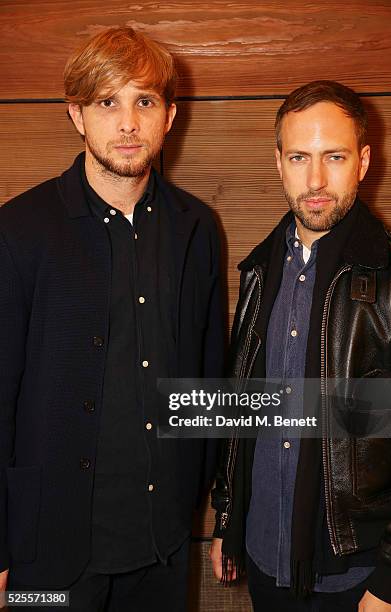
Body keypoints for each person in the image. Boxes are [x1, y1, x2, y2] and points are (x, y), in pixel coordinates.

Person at [0, 26, 223, 611]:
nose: (128, 123)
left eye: (144, 101)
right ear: (77, 115)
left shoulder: (196, 229)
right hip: (47, 552)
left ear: (169, 116)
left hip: (163, 544)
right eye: (107, 102)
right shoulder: (19, 231)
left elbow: (208, 379)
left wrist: (217, 503)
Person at [210, 80, 391, 611]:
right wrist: (227, 519)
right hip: (265, 556)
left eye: (334, 157)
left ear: (364, 161)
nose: (315, 179)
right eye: (299, 157)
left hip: (357, 576)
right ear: (278, 162)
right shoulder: (258, 271)